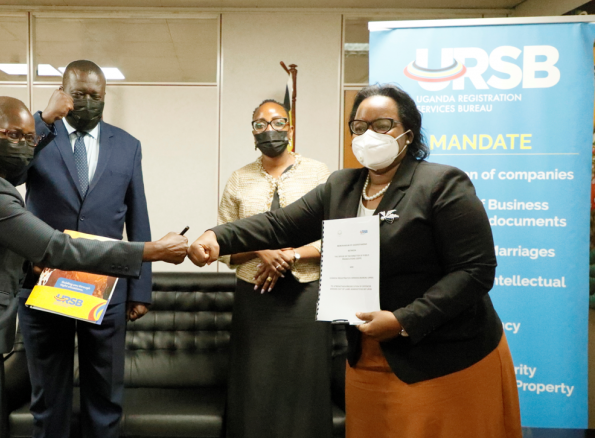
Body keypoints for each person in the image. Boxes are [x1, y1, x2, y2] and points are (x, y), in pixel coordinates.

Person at [189, 84, 522, 438]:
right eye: (359, 127)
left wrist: (404, 320)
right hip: (367, 354)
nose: (369, 135)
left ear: (409, 133)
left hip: (441, 357)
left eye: (382, 125)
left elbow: (475, 271)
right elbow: (278, 224)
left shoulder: (441, 184)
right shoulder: (342, 186)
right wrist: (217, 237)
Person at [0, 96, 187, 438]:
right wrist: (151, 251)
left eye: (28, 137)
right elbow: (56, 247)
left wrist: (28, 271)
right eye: (12, 135)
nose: (22, 145)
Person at [16, 60, 151, 438]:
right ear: (62, 93)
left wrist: (140, 289)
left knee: (105, 398)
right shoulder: (39, 137)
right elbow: (9, 171)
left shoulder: (127, 145)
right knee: (48, 398)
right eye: (79, 94)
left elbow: (138, 216)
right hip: (45, 281)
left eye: (97, 96)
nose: (89, 102)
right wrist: (44, 118)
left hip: (106, 285)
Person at [216, 99, 332, 438]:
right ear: (253, 133)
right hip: (255, 296)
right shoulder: (239, 179)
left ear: (290, 128)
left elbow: (337, 235)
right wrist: (261, 250)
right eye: (261, 124)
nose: (270, 130)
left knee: (305, 379)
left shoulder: (319, 174)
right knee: (256, 379)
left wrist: (293, 255)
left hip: (306, 294)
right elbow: (223, 242)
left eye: (278, 122)